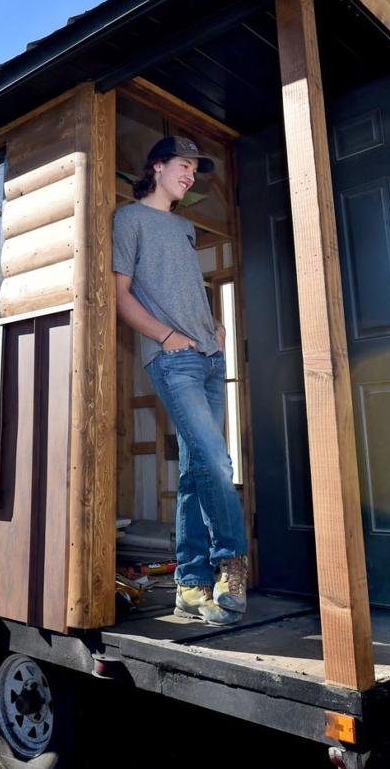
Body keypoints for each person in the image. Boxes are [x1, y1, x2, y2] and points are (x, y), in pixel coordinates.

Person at [112, 135, 249, 626]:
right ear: (157, 167)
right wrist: (166, 336)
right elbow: (120, 295)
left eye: (195, 168)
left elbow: (190, 289)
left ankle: (189, 585)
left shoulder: (186, 227)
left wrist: (214, 326)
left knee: (194, 471)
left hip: (209, 357)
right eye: (183, 165)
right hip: (174, 360)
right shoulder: (128, 221)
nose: (190, 175)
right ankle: (232, 564)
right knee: (216, 459)